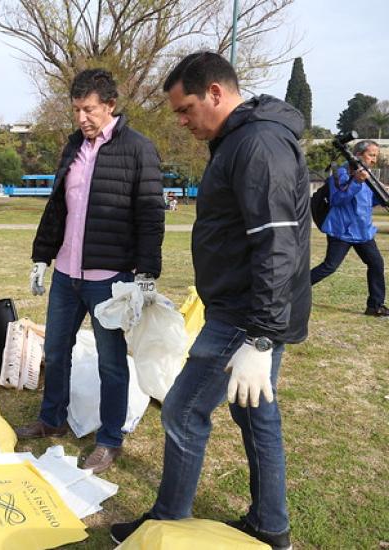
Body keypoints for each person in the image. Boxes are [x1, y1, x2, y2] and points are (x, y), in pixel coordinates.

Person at [110, 52, 310, 550]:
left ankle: (168, 520)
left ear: (216, 93)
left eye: (185, 109)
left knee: (181, 411)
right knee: (255, 412)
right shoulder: (239, 140)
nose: (182, 122)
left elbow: (277, 243)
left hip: (247, 316)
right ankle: (271, 524)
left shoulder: (258, 143)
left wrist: (261, 338)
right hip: (245, 309)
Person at [15, 68, 165, 474]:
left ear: (110, 106)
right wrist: (42, 256)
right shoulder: (72, 147)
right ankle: (52, 419)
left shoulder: (138, 149)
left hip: (109, 278)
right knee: (55, 350)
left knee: (111, 362)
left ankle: (110, 439)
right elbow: (58, 207)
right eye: (76, 110)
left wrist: (146, 274)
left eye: (89, 109)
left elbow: (151, 215)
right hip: (67, 274)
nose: (82, 118)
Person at [310, 140, 389, 316]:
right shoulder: (341, 173)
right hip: (342, 231)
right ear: (358, 155)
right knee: (329, 266)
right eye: (371, 155)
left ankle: (375, 306)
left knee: (376, 263)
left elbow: (368, 201)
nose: (374, 160)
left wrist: (383, 195)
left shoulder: (367, 174)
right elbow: (338, 199)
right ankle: (291, 292)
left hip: (363, 231)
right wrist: (357, 182)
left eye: (376, 156)